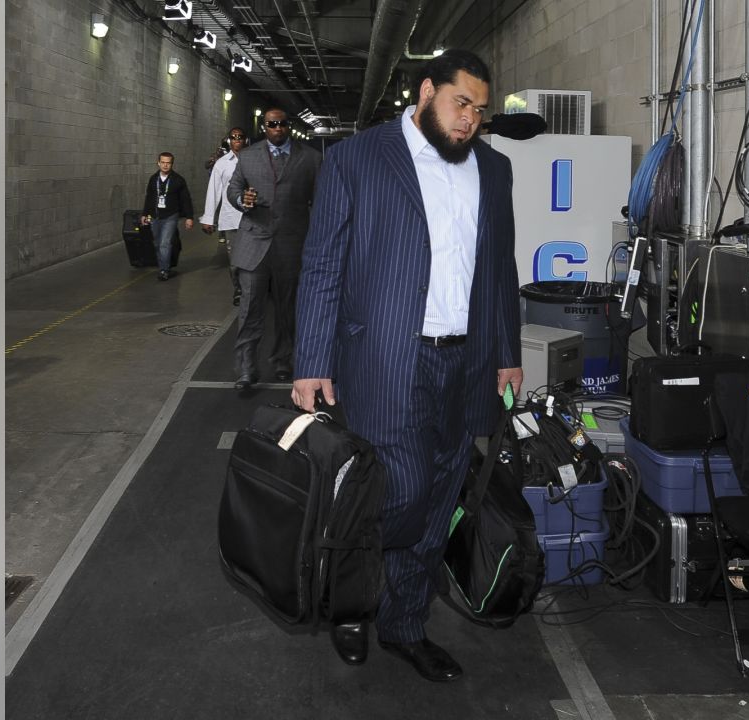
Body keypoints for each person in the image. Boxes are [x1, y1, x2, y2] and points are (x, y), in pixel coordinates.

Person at [291, 49, 523, 682]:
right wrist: (311, 360)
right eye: (460, 104)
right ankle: (349, 601)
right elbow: (322, 266)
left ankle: (403, 625)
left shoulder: (494, 172)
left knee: (442, 491)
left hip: (466, 361)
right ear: (426, 91)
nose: (470, 119)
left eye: (479, 109)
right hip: (386, 359)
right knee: (401, 491)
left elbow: (500, 271)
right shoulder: (357, 159)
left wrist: (506, 353)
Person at [226, 108, 323, 389]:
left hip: (292, 244)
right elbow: (233, 190)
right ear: (264, 127)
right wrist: (242, 199)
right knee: (249, 308)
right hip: (254, 243)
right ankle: (246, 367)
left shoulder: (311, 159)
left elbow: (321, 202)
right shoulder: (248, 157)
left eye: (282, 124)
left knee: (287, 309)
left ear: (289, 126)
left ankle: (283, 360)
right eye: (272, 124)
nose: (277, 128)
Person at [200, 128, 246, 305]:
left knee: (253, 259)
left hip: (252, 219)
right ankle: (239, 289)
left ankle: (252, 290)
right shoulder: (221, 164)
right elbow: (214, 191)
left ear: (245, 139)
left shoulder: (254, 159)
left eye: (240, 137)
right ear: (229, 140)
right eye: (233, 137)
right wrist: (208, 218)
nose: (236, 140)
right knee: (234, 261)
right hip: (230, 218)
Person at [140, 152, 194, 281]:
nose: (165, 165)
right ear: (158, 163)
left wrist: (189, 217)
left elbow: (186, 199)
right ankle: (163, 267)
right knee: (158, 244)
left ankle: (164, 270)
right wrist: (144, 214)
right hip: (154, 216)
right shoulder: (153, 179)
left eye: (168, 162)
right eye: (163, 162)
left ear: (172, 164)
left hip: (170, 216)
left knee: (165, 243)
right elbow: (149, 197)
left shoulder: (178, 180)